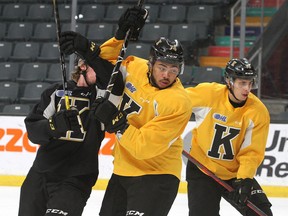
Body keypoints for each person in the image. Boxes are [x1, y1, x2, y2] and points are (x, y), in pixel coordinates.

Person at [59, 6, 193, 216]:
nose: (167, 74)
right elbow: (106, 63)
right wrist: (117, 36)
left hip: (157, 175)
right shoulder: (136, 67)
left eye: (173, 69)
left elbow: (143, 147)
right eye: (162, 67)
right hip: (122, 170)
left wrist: (116, 121)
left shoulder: (178, 102)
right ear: (151, 63)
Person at [18, 56, 121, 216]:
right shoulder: (55, 92)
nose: (102, 72)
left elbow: (116, 88)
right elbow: (33, 132)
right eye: (97, 67)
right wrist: (52, 126)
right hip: (40, 173)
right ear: (83, 66)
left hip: (76, 177)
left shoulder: (103, 97)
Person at [185, 58, 273, 216]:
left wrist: (244, 180)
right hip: (203, 169)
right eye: (242, 83)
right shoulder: (209, 94)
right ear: (229, 81)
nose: (247, 88)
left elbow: (252, 152)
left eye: (250, 83)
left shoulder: (258, 111)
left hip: (235, 174)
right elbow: (175, 102)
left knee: (262, 214)